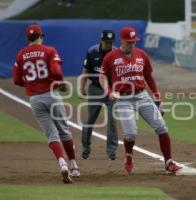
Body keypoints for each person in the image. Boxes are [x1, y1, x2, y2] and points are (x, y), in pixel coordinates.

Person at [99, 26, 182, 174]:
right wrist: (108, 91)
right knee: (130, 134)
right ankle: (129, 154)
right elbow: (102, 76)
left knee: (161, 127)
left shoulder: (141, 55)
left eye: (134, 41)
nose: (132, 44)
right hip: (124, 99)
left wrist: (157, 97)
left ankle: (169, 162)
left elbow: (149, 77)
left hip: (142, 96)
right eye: (129, 41)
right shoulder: (110, 57)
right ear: (122, 40)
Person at [12, 23, 80, 184]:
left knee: (51, 134)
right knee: (63, 130)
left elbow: (16, 79)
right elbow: (56, 71)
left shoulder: (20, 55)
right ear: (41, 36)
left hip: (35, 99)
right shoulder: (49, 51)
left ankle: (62, 164)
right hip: (51, 94)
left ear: (27, 38)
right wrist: (60, 82)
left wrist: (29, 84)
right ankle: (74, 166)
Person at [80, 30, 118, 160]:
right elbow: (85, 71)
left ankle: (111, 149)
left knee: (112, 119)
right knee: (90, 119)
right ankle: (86, 146)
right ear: (101, 40)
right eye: (106, 42)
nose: (108, 45)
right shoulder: (92, 51)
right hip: (95, 89)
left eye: (111, 43)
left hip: (111, 91)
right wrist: (81, 88)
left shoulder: (116, 53)